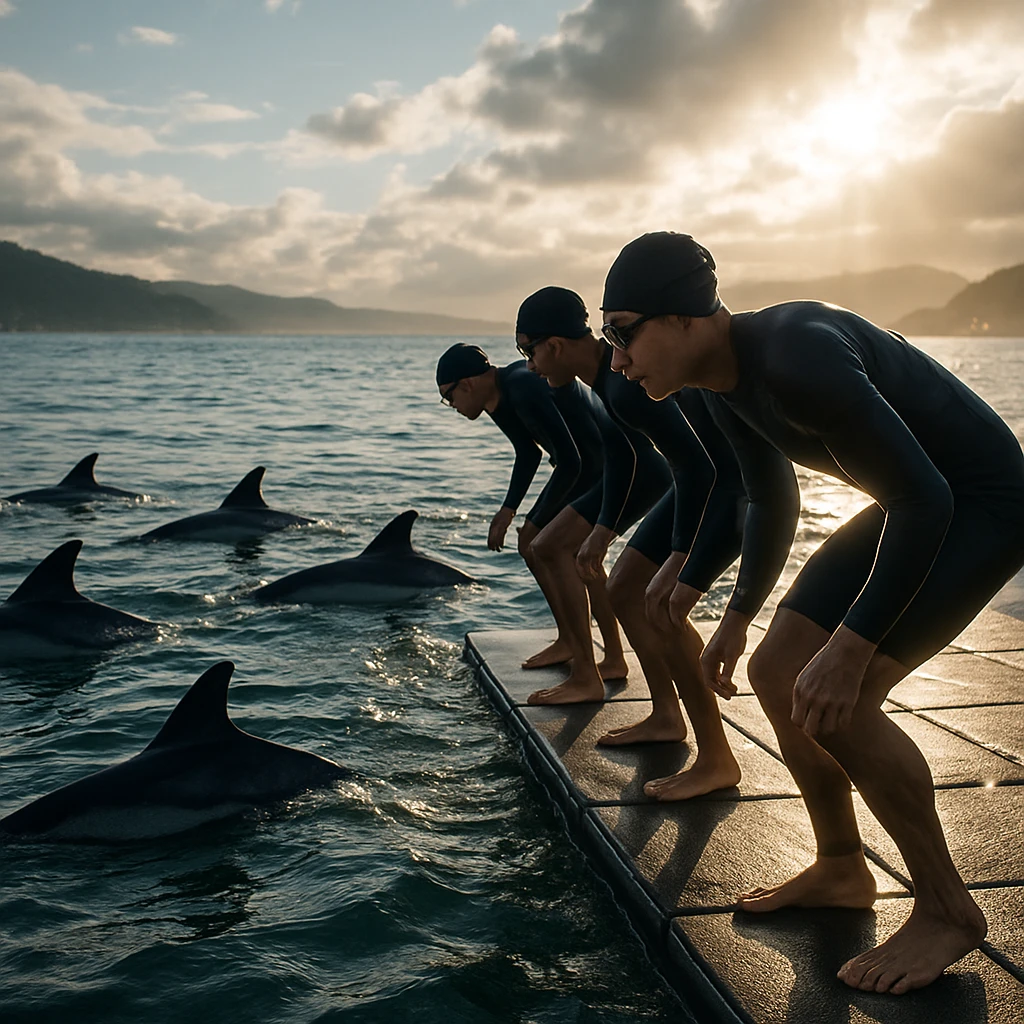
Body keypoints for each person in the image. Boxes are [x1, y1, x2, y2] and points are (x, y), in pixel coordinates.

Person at [600, 230, 1024, 994]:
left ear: (686, 317)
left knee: (843, 698)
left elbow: (925, 498)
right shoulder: (720, 380)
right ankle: (839, 866)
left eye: (622, 333)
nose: (618, 359)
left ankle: (948, 910)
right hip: (918, 501)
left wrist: (854, 645)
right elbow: (767, 496)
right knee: (773, 669)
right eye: (608, 338)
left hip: (981, 504)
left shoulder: (798, 355)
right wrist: (735, 618)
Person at [518, 290, 749, 804]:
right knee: (624, 590)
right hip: (696, 483)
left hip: (728, 488)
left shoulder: (621, 382)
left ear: (554, 346)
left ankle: (717, 758)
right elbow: (622, 452)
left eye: (528, 353)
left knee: (659, 603)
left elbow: (699, 464)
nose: (528, 367)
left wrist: (678, 554)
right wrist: (602, 531)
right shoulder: (603, 380)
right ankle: (667, 715)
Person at [436, 342, 627, 678]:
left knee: (553, 548)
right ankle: (573, 641)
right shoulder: (499, 396)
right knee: (548, 548)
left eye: (449, 397)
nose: (451, 406)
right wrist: (507, 510)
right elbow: (528, 452)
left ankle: (603, 655)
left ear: (467, 384)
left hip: (607, 468)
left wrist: (532, 520)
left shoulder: (522, 386)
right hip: (589, 470)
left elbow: (572, 459)